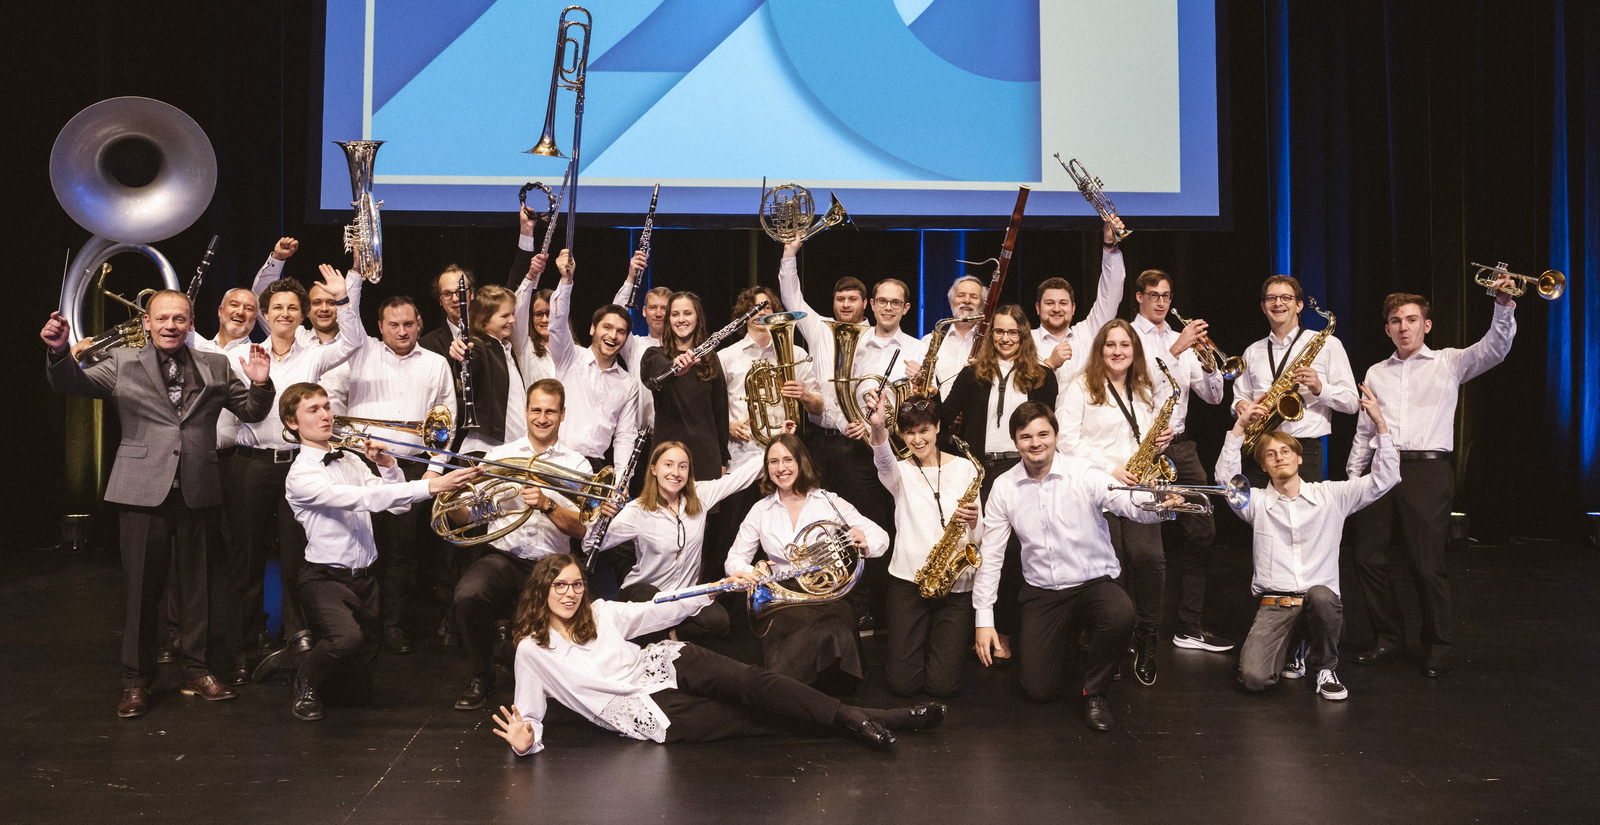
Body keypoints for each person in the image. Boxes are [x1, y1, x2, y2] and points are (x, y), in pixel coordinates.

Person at [42, 290, 274, 718]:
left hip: (198, 488)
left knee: (200, 589)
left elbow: (252, 412)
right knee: (143, 593)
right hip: (140, 490)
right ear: (147, 323)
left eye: (180, 319)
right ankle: (135, 682)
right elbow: (71, 382)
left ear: (190, 324)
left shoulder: (216, 365)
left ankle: (197, 671)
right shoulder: (122, 363)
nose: (171, 325)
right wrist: (59, 351)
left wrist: (260, 381)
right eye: (163, 319)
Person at [490, 555, 946, 754]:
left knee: (755, 683)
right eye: (559, 586)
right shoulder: (532, 650)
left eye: (575, 584)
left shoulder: (601, 611)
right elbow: (530, 714)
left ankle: (859, 719)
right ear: (542, 591)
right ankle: (880, 718)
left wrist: (718, 587)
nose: (570, 594)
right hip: (642, 709)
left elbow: (657, 607)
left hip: (665, 662)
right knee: (754, 719)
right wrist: (528, 743)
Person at [268, 383, 479, 720]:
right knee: (345, 640)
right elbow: (362, 499)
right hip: (325, 577)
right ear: (292, 423)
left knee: (355, 693)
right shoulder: (300, 475)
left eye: (326, 406)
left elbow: (394, 505)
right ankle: (303, 675)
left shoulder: (350, 459)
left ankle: (298, 659)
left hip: (366, 578)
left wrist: (390, 465)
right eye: (313, 410)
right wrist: (432, 485)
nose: (325, 415)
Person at [1349, 281, 1517, 678]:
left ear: (1426, 325)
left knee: (1426, 564)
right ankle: (1388, 638)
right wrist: (1353, 478)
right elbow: (1363, 430)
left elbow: (1495, 348)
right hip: (1380, 465)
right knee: (1366, 557)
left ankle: (1437, 645)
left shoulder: (1449, 361)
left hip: (1427, 469)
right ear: (1387, 329)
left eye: (1411, 320)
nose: (1403, 327)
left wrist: (1504, 305)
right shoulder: (1376, 371)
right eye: (1395, 321)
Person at [973, 401, 1168, 732]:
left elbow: (1126, 503)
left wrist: (1160, 504)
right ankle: (1068, 643)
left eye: (1043, 434)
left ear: (1056, 435)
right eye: (1026, 436)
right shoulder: (1004, 487)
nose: (1036, 443)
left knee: (1121, 614)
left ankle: (1095, 693)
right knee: (1038, 691)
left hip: (1093, 582)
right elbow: (991, 554)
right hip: (1043, 591)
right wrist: (983, 619)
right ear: (1015, 442)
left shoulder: (1085, 472)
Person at [1220, 385, 1398, 701]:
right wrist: (1239, 427)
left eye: (1286, 451)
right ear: (1263, 467)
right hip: (1276, 605)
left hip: (1319, 605)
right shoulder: (1257, 503)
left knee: (1322, 596)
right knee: (1252, 679)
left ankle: (1326, 668)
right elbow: (1226, 482)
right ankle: (1293, 647)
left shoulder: (1331, 496)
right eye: (1270, 455)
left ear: (1300, 458)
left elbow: (1384, 479)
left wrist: (1380, 424)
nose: (1278, 458)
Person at [233, 264, 364, 666]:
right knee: (247, 556)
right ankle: (245, 641)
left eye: (293, 308)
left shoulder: (315, 355)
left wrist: (344, 299)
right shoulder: (242, 353)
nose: (285, 314)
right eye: (278, 307)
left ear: (301, 314)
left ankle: (297, 636)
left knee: (296, 557)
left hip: (296, 466)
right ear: (265, 314)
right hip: (252, 464)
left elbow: (354, 341)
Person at [447, 379, 597, 711]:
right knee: (468, 595)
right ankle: (481, 676)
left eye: (550, 411)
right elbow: (466, 518)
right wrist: (450, 496)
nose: (542, 418)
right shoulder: (500, 456)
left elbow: (582, 529)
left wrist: (547, 505)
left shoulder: (578, 465)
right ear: (525, 411)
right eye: (536, 410)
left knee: (568, 640)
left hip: (551, 566)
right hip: (502, 556)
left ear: (562, 414)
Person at [320, 295, 456, 655]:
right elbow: (349, 322)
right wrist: (347, 290)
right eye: (393, 325)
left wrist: (432, 472)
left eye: (408, 324)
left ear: (419, 323)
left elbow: (445, 424)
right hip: (359, 466)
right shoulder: (362, 351)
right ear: (379, 327)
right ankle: (361, 626)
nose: (401, 331)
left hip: (409, 468)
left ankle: (392, 626)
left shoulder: (437, 363)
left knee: (400, 554)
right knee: (361, 548)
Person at [776, 239, 900, 630]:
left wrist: (869, 423)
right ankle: (825, 598)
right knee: (822, 524)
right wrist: (790, 253)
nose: (846, 305)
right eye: (840, 298)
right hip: (820, 443)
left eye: (853, 299)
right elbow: (791, 294)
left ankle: (866, 606)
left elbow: (888, 391)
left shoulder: (876, 337)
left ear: (866, 304)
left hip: (859, 447)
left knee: (865, 524)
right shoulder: (819, 329)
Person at [1056, 319, 1174, 686]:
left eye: (1125, 344)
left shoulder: (1144, 389)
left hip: (1140, 487)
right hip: (1097, 486)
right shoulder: (1080, 386)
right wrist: (1111, 468)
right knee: (1114, 564)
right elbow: (1066, 440)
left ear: (1134, 350)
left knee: (1150, 558)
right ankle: (1112, 640)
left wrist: (1162, 440)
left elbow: (1145, 435)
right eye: (1110, 344)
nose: (1118, 351)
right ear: (1100, 349)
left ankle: (1147, 635)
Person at [937, 304, 1058, 661]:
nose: (1006, 339)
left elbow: (1049, 429)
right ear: (992, 336)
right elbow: (943, 417)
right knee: (990, 552)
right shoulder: (974, 373)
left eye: (1013, 332)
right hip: (982, 472)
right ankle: (984, 630)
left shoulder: (1042, 376)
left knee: (1022, 554)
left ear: (1024, 336)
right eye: (1000, 332)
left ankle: (1013, 630)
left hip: (1025, 470)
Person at [726, 433, 889, 688]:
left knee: (836, 628)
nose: (781, 468)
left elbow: (881, 536)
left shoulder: (827, 501)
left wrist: (864, 539)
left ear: (801, 462)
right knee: (797, 632)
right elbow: (734, 559)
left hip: (825, 595)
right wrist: (751, 572)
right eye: (773, 462)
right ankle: (792, 693)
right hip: (783, 595)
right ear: (766, 468)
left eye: (788, 459)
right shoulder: (760, 510)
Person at [1129, 269, 1232, 653]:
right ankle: (1138, 627)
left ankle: (1189, 624)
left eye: (1167, 295)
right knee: (1144, 544)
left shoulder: (1181, 340)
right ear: (1138, 297)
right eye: (1153, 294)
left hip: (1181, 446)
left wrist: (1207, 361)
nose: (1161, 302)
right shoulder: (1127, 336)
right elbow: (1139, 383)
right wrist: (1176, 351)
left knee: (1202, 531)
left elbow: (1213, 397)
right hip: (1139, 448)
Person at [864, 390, 980, 698]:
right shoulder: (899, 471)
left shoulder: (966, 468)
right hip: (908, 581)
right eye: (909, 432)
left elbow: (979, 535)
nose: (917, 439)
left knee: (943, 686)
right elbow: (882, 457)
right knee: (903, 685)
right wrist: (878, 427)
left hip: (955, 582)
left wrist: (973, 521)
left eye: (923, 430)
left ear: (938, 427)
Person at [590, 439, 767, 640]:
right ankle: (656, 637)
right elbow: (591, 546)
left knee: (718, 621)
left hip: (683, 597)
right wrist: (600, 516)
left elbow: (740, 478)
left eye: (682, 466)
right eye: (668, 465)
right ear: (654, 469)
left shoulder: (700, 496)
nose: (676, 472)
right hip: (645, 595)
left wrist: (773, 449)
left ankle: (668, 637)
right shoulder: (637, 510)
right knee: (649, 601)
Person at [715, 286, 824, 577]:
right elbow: (711, 409)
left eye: (766, 308)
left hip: (784, 462)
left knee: (783, 538)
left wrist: (803, 396)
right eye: (753, 308)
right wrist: (727, 426)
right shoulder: (727, 357)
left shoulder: (796, 354)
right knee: (734, 537)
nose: (761, 313)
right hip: (742, 459)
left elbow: (818, 406)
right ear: (742, 316)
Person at [1230, 275, 1358, 483]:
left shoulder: (1327, 344)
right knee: (1260, 514)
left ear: (1299, 305)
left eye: (1286, 298)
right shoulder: (1252, 351)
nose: (1278, 303)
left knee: (1305, 515)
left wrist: (1319, 387)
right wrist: (1241, 405)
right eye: (1271, 298)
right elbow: (1239, 397)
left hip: (1304, 451)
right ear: (1263, 307)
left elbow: (1352, 403)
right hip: (1261, 448)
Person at [548, 251, 641, 470]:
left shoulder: (628, 384)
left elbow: (625, 437)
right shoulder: (570, 357)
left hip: (595, 468)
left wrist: (620, 480)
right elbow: (557, 323)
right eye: (607, 328)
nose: (613, 336)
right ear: (592, 329)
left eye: (620, 332)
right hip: (557, 459)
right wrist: (566, 281)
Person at [641, 291, 731, 481]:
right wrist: (674, 368)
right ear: (668, 320)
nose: (681, 319)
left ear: (698, 318)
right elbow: (653, 378)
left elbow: (720, 414)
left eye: (687, 313)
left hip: (704, 459)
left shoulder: (710, 358)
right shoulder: (654, 355)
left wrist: (722, 460)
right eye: (675, 314)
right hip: (667, 456)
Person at [447, 274, 537, 455]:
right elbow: (470, 365)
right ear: (484, 319)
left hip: (511, 449)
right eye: (505, 315)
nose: (512, 320)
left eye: (512, 314)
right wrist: (461, 355)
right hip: (486, 451)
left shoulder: (505, 348)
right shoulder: (479, 346)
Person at [1034, 218, 1127, 389]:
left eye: (1063, 303)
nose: (1056, 309)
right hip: (1041, 415)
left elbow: (1111, 292)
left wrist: (1109, 246)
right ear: (1038, 308)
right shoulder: (1026, 341)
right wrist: (1049, 365)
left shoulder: (1088, 332)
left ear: (1073, 308)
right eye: (1049, 303)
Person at [907, 275, 985, 399]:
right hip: (937, 415)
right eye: (961, 295)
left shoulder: (991, 343)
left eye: (974, 297)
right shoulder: (928, 341)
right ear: (951, 301)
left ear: (982, 305)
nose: (967, 300)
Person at [614, 259, 670, 431]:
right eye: (653, 308)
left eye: (664, 308)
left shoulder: (685, 349)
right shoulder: (634, 345)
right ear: (644, 311)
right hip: (639, 435)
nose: (659, 314)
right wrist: (631, 276)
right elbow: (616, 313)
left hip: (673, 434)